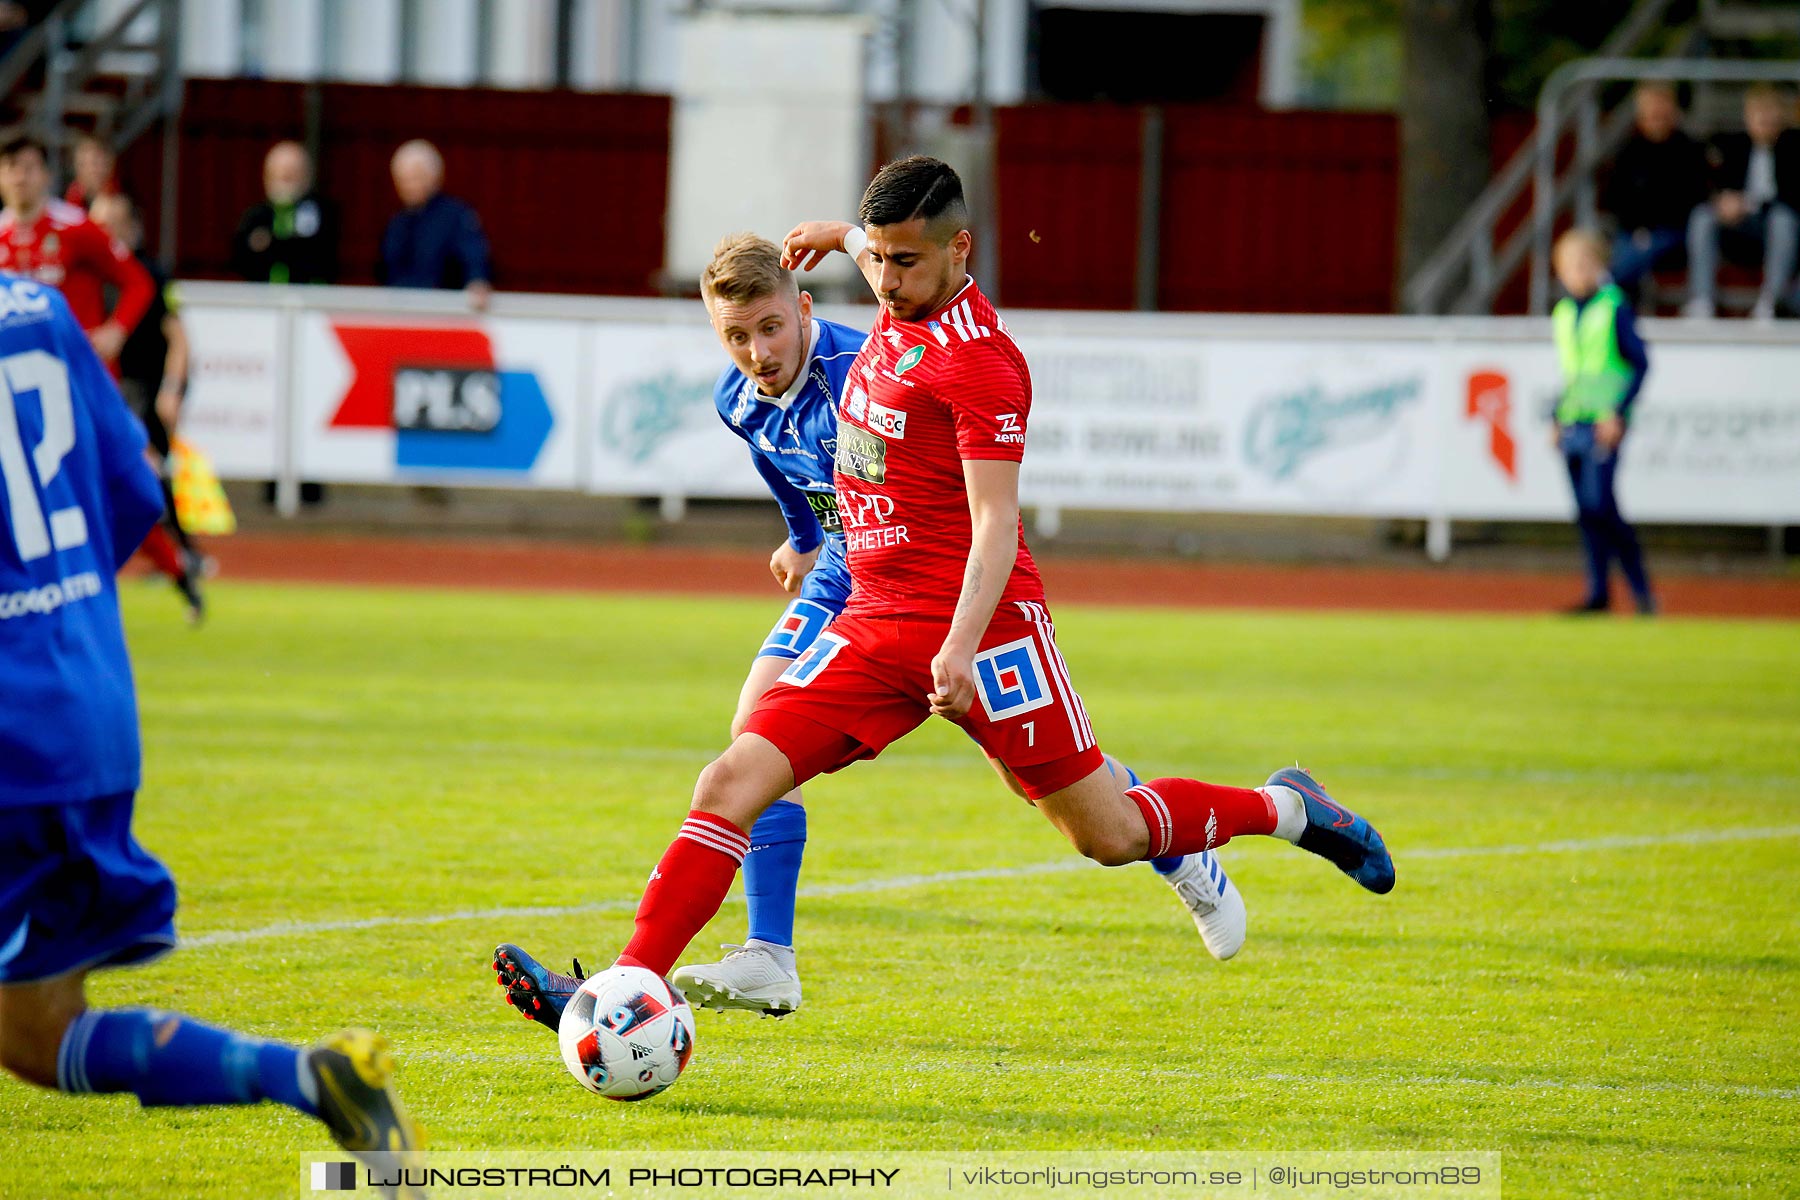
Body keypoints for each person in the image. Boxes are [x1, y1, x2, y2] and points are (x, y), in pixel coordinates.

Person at [491, 158, 1391, 1045]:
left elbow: (997, 523)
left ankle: (1288, 808)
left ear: (959, 251)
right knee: (732, 775)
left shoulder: (984, 366)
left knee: (1109, 833)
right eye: (873, 260)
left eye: (903, 262)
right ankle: (626, 987)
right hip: (872, 618)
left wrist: (958, 648)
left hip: (989, 634)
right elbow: (874, 253)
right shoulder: (890, 295)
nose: (883, 280)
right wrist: (838, 237)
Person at [0, 271, 423, 1197]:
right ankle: (313, 1077)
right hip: (86, 699)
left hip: (12, 732)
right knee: (35, 1033)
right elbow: (129, 488)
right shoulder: (33, 308)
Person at [90, 192, 206, 622]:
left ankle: (182, 555)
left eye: (117, 222)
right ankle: (174, 559)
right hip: (104, 391)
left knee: (148, 474)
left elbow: (178, 337)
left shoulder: (150, 275)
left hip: (142, 390)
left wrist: (172, 389)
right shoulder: (84, 276)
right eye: (100, 223)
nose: (109, 232)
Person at [1549, 229, 1655, 616]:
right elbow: (1572, 374)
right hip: (1573, 422)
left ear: (1599, 267)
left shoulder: (1613, 307)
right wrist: (1557, 417)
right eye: (1569, 266)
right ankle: (1598, 594)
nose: (1577, 273)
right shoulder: (1563, 313)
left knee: (1602, 505)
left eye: (1584, 264)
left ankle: (1641, 592)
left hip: (1603, 424)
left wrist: (1618, 412)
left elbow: (1640, 364)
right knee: (1586, 512)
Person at [0, 135, 153, 370]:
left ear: (46, 176)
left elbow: (138, 281)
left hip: (76, 367)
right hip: (19, 370)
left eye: (29, 168)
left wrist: (117, 330)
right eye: (11, 167)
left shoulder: (76, 226)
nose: (20, 178)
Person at [1685, 84, 1800, 320]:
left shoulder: (1794, 147)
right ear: (1747, 117)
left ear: (1781, 116)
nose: (1764, 121)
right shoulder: (1733, 146)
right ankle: (1702, 300)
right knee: (1702, 216)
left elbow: (1794, 197)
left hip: (1777, 229)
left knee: (1783, 218)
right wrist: (1722, 201)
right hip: (1737, 228)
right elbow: (1708, 184)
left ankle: (1771, 301)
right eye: (1759, 114)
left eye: (1770, 114)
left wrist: (1750, 203)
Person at [1600, 82, 1709, 291]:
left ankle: (1603, 289)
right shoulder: (1628, 152)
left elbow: (1694, 198)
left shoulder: (1689, 150)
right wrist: (1637, 228)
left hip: (1676, 233)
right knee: (1625, 249)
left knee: (1633, 255)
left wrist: (1651, 228)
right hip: (1632, 231)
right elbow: (1615, 198)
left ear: (1673, 111)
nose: (1657, 116)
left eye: (1662, 110)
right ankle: (1611, 294)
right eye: (1651, 111)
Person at [379, 139, 491, 311]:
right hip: (400, 314)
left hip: (443, 314)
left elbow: (474, 258)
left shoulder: (456, 217)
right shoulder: (397, 222)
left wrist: (477, 281)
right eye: (403, 180)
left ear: (434, 177)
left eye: (415, 178)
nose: (409, 186)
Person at [230, 140, 339, 285]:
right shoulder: (257, 215)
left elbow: (319, 253)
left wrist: (272, 243)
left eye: (292, 175)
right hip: (262, 296)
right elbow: (241, 256)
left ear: (307, 176)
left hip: (312, 296)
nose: (285, 181)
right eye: (280, 175)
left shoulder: (321, 211)